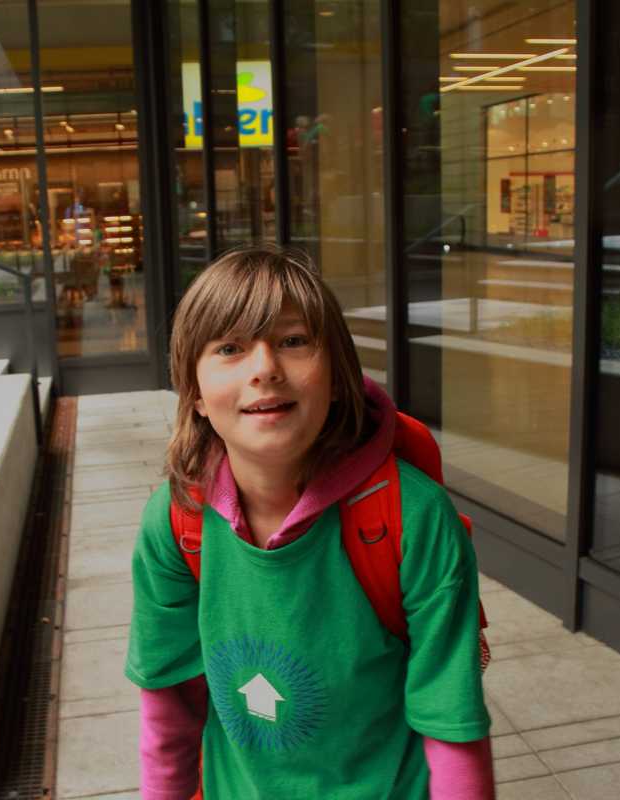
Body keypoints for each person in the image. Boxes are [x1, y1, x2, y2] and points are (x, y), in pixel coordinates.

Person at [125, 247, 495, 799]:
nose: (264, 368)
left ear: (339, 378)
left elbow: (451, 716)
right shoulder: (177, 522)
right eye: (229, 348)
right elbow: (168, 704)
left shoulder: (413, 518)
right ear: (195, 394)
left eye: (293, 340)